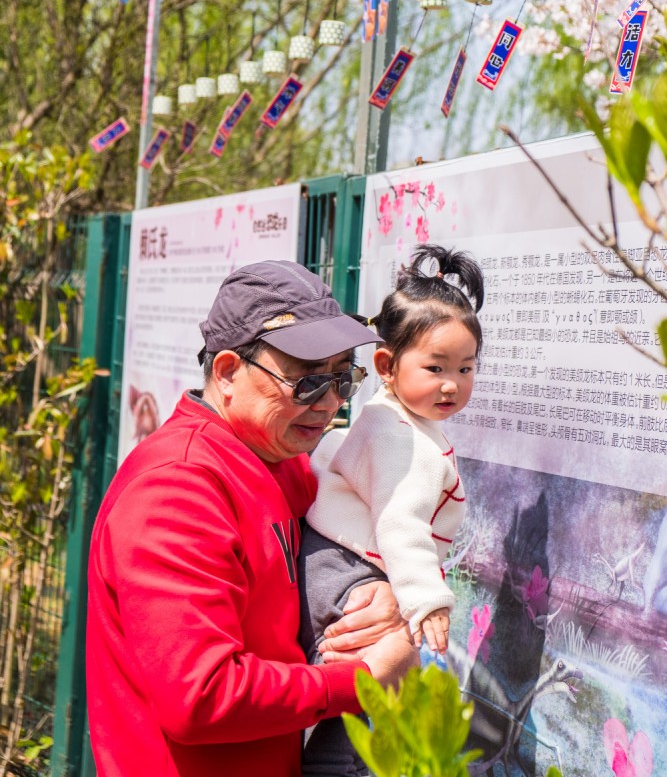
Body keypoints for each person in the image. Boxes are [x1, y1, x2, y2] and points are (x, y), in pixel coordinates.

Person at [86, 260, 419, 777]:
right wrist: (362, 679)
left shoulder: (280, 460)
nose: (329, 401)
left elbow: (354, 543)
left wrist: (384, 594)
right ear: (227, 372)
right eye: (306, 382)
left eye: (341, 378)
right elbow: (201, 697)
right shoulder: (178, 487)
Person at [299, 244, 484, 775]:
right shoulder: (406, 443)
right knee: (369, 692)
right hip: (352, 571)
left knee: (352, 689)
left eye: (466, 368)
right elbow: (401, 521)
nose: (452, 383)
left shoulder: (384, 417)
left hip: (331, 562)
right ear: (385, 364)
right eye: (435, 367)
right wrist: (427, 601)